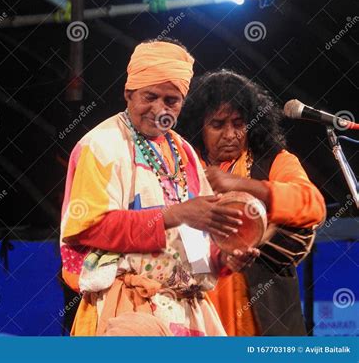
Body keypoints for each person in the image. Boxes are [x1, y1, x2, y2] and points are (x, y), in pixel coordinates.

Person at [59, 40, 259, 336]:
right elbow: (88, 228)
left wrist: (226, 258)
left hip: (188, 311)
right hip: (124, 308)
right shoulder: (100, 145)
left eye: (171, 101)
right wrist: (173, 214)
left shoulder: (185, 152)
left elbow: (198, 242)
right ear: (128, 94)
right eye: (149, 97)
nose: (159, 110)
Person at [181, 69, 326, 336]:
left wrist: (238, 184)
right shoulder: (182, 169)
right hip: (198, 315)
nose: (230, 134)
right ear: (198, 127)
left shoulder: (275, 161)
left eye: (239, 123)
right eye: (218, 124)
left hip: (268, 322)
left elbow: (313, 204)